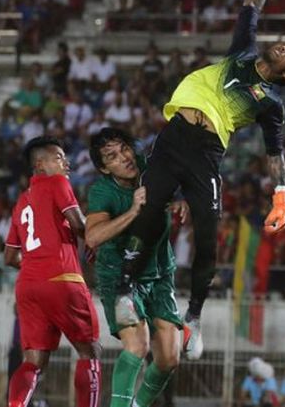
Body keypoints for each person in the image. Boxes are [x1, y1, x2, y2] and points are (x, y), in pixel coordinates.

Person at [115, 0, 285, 360]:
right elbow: (250, 7)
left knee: (208, 239)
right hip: (174, 139)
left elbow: (274, 152)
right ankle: (126, 288)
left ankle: (196, 317)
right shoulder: (242, 53)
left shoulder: (270, 104)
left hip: (206, 155)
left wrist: (281, 194)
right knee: (148, 212)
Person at [85, 128, 186, 407]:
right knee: (138, 345)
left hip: (160, 272)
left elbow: (181, 183)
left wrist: (181, 201)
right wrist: (132, 211)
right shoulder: (102, 191)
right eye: (112, 157)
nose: (124, 158)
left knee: (169, 358)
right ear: (104, 168)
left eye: (125, 149)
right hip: (119, 276)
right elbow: (92, 237)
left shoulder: (149, 169)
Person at [4, 136, 101, 407]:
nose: (66, 163)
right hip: (62, 278)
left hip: (28, 285)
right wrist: (99, 238)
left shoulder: (22, 201)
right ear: (40, 164)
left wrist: (36, 267)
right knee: (89, 351)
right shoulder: (58, 183)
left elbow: (9, 256)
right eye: (58, 157)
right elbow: (79, 225)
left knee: (33, 362)